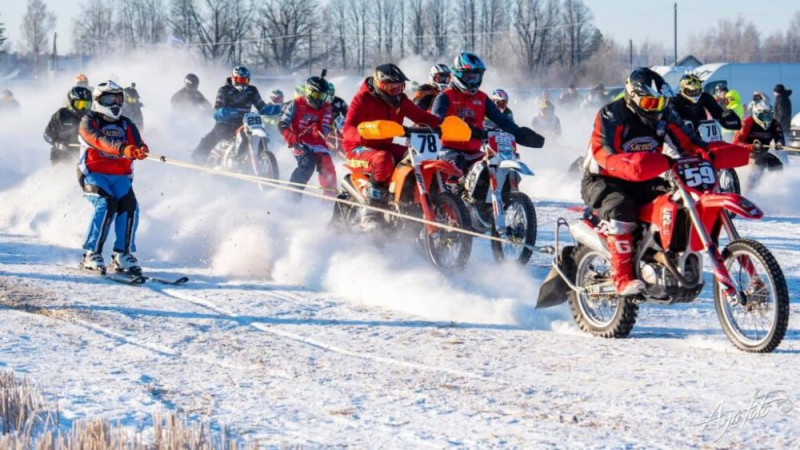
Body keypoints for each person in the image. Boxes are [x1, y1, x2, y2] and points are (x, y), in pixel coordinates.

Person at [581, 68, 708, 296]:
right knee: (622, 207)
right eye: (650, 103)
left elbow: (690, 142)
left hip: (643, 175)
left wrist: (711, 155)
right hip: (603, 179)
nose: (656, 109)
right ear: (632, 96)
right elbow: (605, 153)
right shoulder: (611, 114)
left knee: (676, 198)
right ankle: (622, 278)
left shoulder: (665, 114)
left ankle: (660, 253)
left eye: (660, 103)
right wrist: (638, 165)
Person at [342, 63, 443, 230]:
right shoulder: (363, 99)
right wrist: (364, 133)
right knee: (383, 159)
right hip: (358, 148)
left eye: (400, 86)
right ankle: (371, 213)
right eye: (392, 87)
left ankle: (406, 200)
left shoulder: (401, 100)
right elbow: (348, 129)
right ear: (380, 84)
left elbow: (421, 116)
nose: (396, 91)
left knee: (414, 156)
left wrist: (443, 125)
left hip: (383, 146)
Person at [430, 52, 544, 175]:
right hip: (449, 150)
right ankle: (448, 192)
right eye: (469, 77)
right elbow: (436, 121)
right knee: (458, 163)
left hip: (474, 152)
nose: (473, 81)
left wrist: (519, 133)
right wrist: (468, 130)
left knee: (492, 167)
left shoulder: (482, 98)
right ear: (458, 74)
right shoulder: (445, 96)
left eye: (476, 77)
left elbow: (501, 119)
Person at [77, 80, 149, 274]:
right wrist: (122, 148)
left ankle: (122, 255)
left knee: (129, 205)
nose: (115, 104)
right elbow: (98, 141)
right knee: (106, 204)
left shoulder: (126, 123)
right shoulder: (89, 121)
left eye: (118, 99)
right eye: (110, 99)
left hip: (120, 176)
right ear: (99, 100)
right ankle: (91, 253)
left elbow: (137, 143)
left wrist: (141, 150)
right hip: (93, 174)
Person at [191, 66, 272, 164]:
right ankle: (198, 157)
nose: (242, 83)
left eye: (245, 80)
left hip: (244, 123)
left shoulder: (252, 90)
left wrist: (271, 110)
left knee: (259, 135)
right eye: (239, 79)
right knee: (215, 134)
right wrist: (227, 112)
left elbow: (261, 105)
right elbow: (216, 111)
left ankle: (262, 160)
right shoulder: (224, 90)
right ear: (233, 78)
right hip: (226, 123)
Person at [278, 76, 336, 195]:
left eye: (322, 96)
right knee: (308, 162)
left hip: (317, 141)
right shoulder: (296, 104)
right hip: (298, 141)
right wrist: (290, 135)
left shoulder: (327, 108)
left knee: (326, 163)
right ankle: (292, 197)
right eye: (316, 95)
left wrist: (318, 130)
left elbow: (325, 127)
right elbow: (282, 123)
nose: (319, 100)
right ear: (309, 92)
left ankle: (329, 199)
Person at [734, 101, 784, 191]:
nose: (766, 118)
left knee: (776, 163)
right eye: (763, 115)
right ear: (756, 114)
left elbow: (780, 137)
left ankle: (774, 188)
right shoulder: (747, 122)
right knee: (759, 163)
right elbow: (736, 143)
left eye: (768, 115)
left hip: (762, 153)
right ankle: (749, 191)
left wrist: (779, 143)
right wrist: (751, 146)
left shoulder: (774, 124)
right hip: (745, 153)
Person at [671, 72, 741, 133]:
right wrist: (681, 123)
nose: (695, 94)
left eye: (697, 91)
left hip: (703, 137)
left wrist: (726, 117)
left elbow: (717, 111)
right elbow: (671, 117)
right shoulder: (675, 100)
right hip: (682, 137)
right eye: (691, 91)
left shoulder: (704, 97)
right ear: (683, 90)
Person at [44, 86, 93, 165]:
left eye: (86, 105)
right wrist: (58, 143)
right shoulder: (60, 115)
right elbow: (46, 135)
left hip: (87, 156)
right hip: (61, 155)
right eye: (79, 105)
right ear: (70, 102)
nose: (82, 109)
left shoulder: (92, 117)